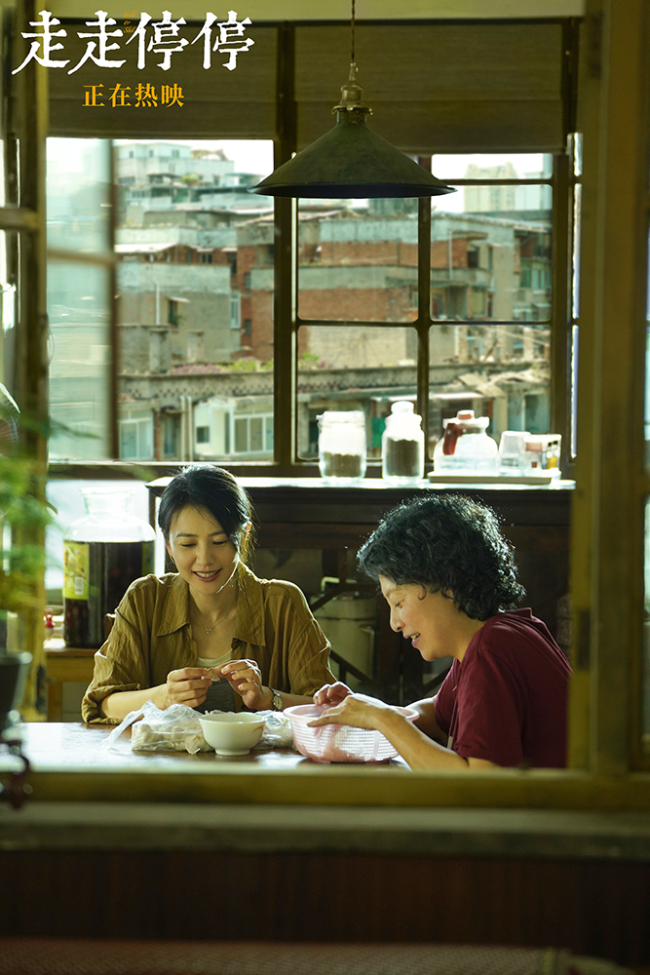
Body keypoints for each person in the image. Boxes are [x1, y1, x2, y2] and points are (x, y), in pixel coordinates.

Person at [310, 494, 571, 771]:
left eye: (399, 602)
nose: (394, 623)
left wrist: (384, 719)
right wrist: (365, 711)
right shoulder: (498, 635)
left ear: (446, 583)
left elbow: (481, 785)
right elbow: (437, 715)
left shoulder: (491, 651)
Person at [82, 465, 334, 724]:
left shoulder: (282, 604)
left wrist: (269, 698)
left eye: (219, 542)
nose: (204, 560)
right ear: (169, 545)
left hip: (256, 763)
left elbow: (329, 707)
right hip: (164, 763)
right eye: (188, 545)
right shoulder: (145, 599)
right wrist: (165, 696)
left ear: (243, 535)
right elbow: (103, 703)